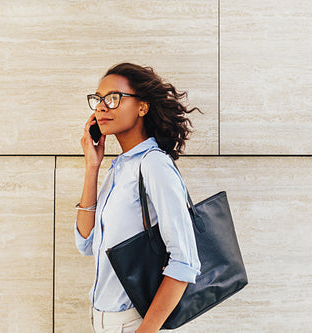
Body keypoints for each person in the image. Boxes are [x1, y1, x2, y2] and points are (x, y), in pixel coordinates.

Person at [74, 63, 203, 333]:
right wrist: (92, 167)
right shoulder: (120, 168)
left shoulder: (153, 165)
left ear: (142, 107)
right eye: (97, 100)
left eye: (113, 98)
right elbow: (86, 242)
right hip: (102, 321)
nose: (101, 107)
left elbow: (185, 261)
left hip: (133, 323)